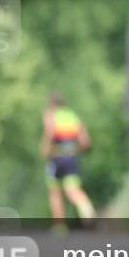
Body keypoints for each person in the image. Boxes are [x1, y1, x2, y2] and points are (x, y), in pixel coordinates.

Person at [41, 93, 96, 223]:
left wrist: (45, 149)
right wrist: (76, 150)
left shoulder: (51, 115)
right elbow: (85, 142)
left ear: (52, 104)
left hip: (56, 158)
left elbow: (50, 132)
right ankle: (87, 210)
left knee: (55, 192)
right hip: (71, 158)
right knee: (73, 189)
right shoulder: (73, 116)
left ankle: (60, 225)